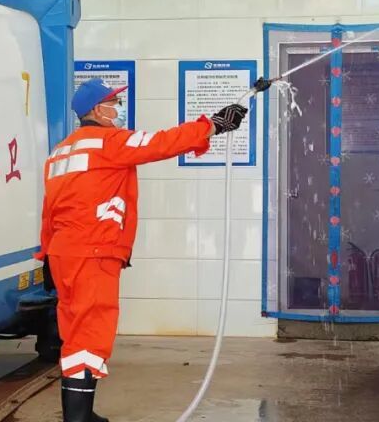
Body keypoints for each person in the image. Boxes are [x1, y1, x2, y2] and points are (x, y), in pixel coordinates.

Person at [36, 77, 248, 422]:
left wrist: (45, 254)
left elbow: (51, 208)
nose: (118, 109)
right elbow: (162, 143)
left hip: (63, 254)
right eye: (113, 103)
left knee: (73, 331)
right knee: (91, 332)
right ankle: (77, 419)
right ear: (97, 110)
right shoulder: (109, 142)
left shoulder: (61, 152)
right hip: (93, 252)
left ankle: (81, 414)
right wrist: (212, 125)